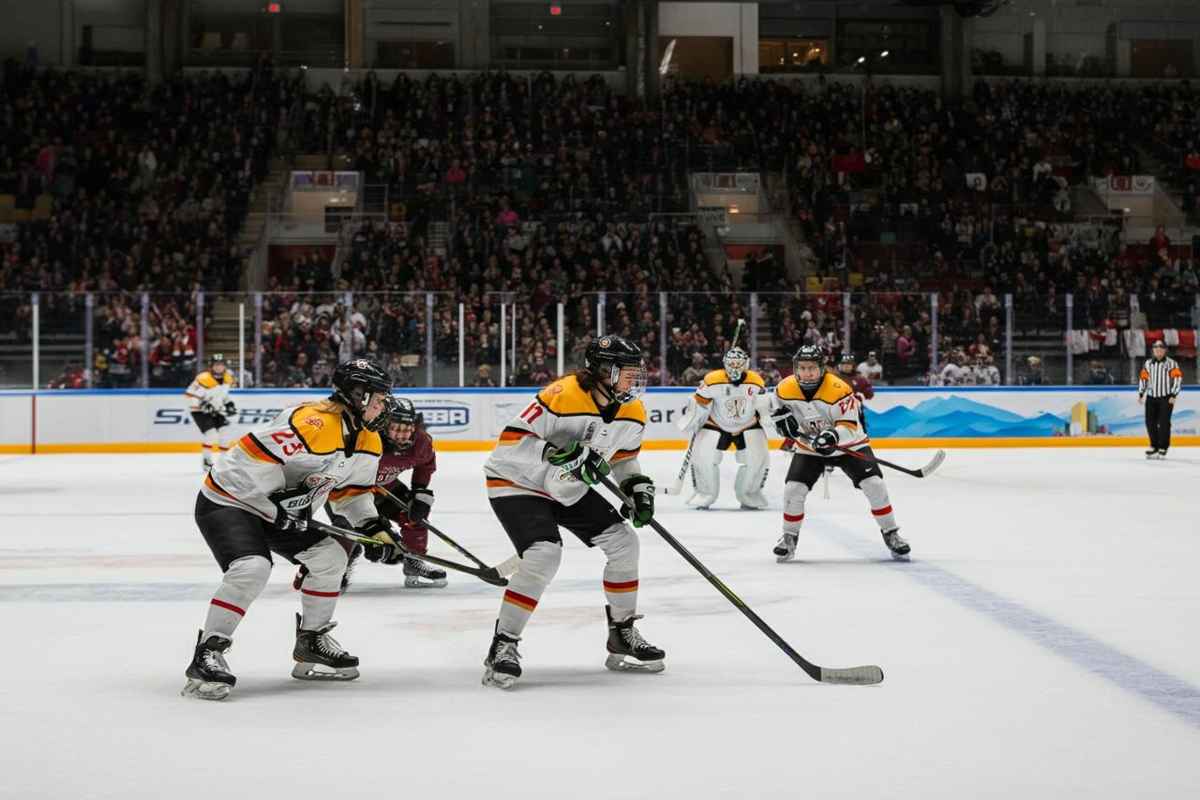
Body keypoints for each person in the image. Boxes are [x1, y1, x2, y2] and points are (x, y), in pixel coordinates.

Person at [182, 359, 395, 700]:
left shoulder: (369, 440)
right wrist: (272, 508)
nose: (386, 405)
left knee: (330, 557)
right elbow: (241, 463)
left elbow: (349, 494)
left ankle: (311, 641)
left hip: (283, 512)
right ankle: (208, 651)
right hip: (229, 500)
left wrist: (374, 528)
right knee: (252, 567)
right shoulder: (310, 422)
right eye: (381, 398)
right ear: (359, 395)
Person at [480, 335, 665, 689]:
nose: (635, 380)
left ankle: (621, 632)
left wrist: (635, 487)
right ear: (602, 371)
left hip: (567, 486)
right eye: (626, 372)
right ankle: (503, 644)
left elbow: (624, 459)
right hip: (518, 481)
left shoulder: (633, 411)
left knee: (625, 543)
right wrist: (558, 452)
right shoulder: (562, 395)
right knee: (544, 554)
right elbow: (510, 444)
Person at [767, 344, 910, 562]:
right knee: (793, 489)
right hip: (810, 448)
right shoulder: (784, 388)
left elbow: (849, 426)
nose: (807, 373)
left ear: (822, 368)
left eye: (812, 368)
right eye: (802, 368)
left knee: (874, 484)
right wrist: (778, 420)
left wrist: (832, 436)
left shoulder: (839, 388)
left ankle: (891, 533)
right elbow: (771, 407)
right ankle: (788, 537)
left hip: (850, 445)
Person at [680, 347, 769, 509]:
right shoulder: (713, 379)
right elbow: (699, 402)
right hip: (716, 424)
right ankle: (704, 493)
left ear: (746, 364)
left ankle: (750, 494)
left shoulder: (756, 381)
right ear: (724, 364)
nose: (735, 367)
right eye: (731, 363)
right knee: (703, 455)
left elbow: (763, 405)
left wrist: (768, 418)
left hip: (748, 424)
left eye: (739, 363)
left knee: (758, 457)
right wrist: (693, 417)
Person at [185, 353, 238, 470]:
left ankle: (225, 461)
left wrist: (229, 403)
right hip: (199, 411)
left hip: (216, 410)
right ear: (211, 366)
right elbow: (190, 395)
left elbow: (222, 395)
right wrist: (202, 405)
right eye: (216, 365)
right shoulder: (203, 378)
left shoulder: (228, 378)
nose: (219, 367)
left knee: (225, 433)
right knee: (211, 434)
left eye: (221, 365)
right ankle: (206, 460)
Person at [1138, 339, 1183, 459]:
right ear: (1153, 350)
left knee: (1164, 423)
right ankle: (1154, 446)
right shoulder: (1147, 363)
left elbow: (1177, 379)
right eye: (1155, 347)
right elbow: (1143, 379)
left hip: (1166, 398)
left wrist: (1174, 395)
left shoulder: (1172, 363)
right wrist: (1141, 393)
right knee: (1150, 422)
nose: (1158, 350)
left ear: (1164, 350)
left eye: (1160, 347)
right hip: (1151, 397)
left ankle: (1163, 446)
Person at [836, 352, 874, 431]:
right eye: (843, 364)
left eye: (848, 364)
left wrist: (865, 393)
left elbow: (869, 394)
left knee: (860, 432)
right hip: (837, 411)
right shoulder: (834, 378)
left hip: (856, 411)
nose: (846, 366)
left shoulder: (860, 379)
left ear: (853, 366)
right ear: (840, 365)